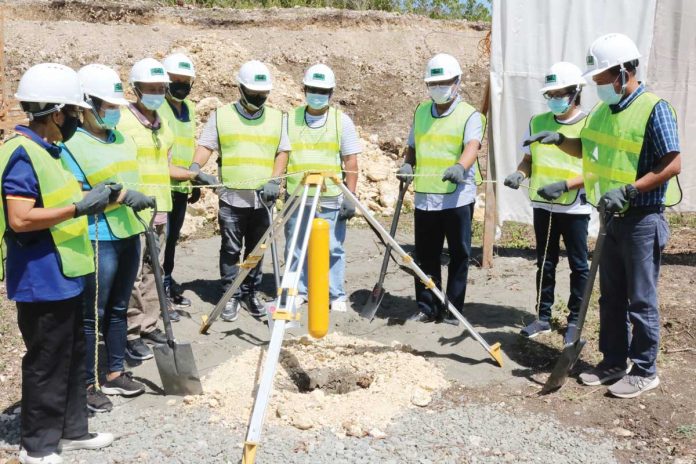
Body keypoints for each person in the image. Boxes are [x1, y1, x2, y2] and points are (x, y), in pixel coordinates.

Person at [524, 33, 682, 398]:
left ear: (623, 73)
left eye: (600, 80)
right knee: (610, 296)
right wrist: (560, 140)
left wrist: (630, 189)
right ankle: (614, 361)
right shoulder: (604, 113)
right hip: (611, 218)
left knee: (640, 298)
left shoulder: (654, 109)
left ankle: (645, 370)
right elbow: (588, 147)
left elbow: (672, 164)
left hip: (643, 218)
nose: (597, 87)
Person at [0, 63, 114, 464]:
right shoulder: (21, 154)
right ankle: (39, 446)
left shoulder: (50, 151)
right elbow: (20, 217)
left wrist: (110, 196)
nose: (78, 120)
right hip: (40, 276)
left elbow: (62, 197)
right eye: (76, 113)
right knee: (47, 361)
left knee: (72, 355)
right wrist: (80, 207)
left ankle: (73, 429)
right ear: (57, 112)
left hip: (66, 272)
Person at [60, 64, 153, 413]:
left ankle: (115, 373)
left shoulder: (122, 138)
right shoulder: (70, 144)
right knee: (91, 314)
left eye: (116, 106)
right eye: (107, 105)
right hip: (97, 235)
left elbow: (131, 179)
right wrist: (121, 196)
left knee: (117, 308)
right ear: (86, 106)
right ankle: (86, 383)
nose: (113, 111)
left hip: (128, 231)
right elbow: (75, 193)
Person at [119, 58, 216, 362]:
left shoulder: (162, 125)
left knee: (153, 270)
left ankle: (149, 325)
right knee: (133, 276)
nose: (159, 93)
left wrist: (193, 175)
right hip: (134, 211)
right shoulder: (123, 123)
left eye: (161, 88)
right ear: (135, 89)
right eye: (152, 88)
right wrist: (192, 175)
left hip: (160, 207)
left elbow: (166, 164)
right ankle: (131, 332)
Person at [191, 60, 289, 322]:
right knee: (231, 249)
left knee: (256, 250)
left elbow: (283, 151)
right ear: (240, 88)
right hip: (231, 198)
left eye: (263, 94)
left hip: (263, 200)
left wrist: (275, 180)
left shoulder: (278, 118)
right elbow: (206, 146)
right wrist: (194, 167)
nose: (258, 98)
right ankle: (230, 295)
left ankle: (250, 292)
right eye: (253, 93)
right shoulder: (221, 116)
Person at [504, 62, 590, 344]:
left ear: (576, 92)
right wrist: (519, 174)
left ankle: (575, 320)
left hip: (575, 207)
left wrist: (566, 185)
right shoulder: (538, 122)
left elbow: (596, 169)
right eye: (550, 94)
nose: (554, 99)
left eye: (559, 93)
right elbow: (528, 160)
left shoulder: (589, 124)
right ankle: (542, 317)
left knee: (579, 266)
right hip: (543, 206)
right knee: (545, 262)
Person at [397, 53, 485, 325]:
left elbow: (473, 145)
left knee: (459, 255)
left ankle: (454, 308)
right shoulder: (421, 111)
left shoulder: (470, 114)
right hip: (425, 197)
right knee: (426, 256)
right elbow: (413, 145)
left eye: (445, 82)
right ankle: (428, 306)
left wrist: (461, 166)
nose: (439, 87)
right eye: (433, 83)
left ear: (457, 82)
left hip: (457, 198)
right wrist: (408, 164)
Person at [284, 64, 361, 312]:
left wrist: (351, 195)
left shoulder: (342, 121)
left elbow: (350, 161)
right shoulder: (290, 119)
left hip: (329, 196)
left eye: (323, 90)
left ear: (331, 93)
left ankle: (335, 293)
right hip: (298, 196)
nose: (317, 94)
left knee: (333, 247)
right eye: (313, 89)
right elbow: (283, 155)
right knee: (296, 246)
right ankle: (298, 290)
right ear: (304, 89)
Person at [159, 53, 198, 309]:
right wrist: (189, 175)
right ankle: (157, 293)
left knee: (172, 240)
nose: (181, 85)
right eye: (176, 80)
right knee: (159, 242)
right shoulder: (157, 108)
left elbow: (189, 146)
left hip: (181, 187)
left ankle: (167, 280)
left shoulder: (190, 108)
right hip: (161, 186)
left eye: (186, 81)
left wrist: (191, 182)